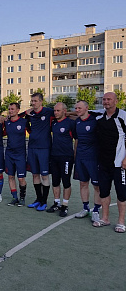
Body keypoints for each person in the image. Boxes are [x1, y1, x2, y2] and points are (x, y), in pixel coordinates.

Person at [93, 92, 126, 233]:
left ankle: (121, 222)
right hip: (103, 163)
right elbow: (81, 111)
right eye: (104, 99)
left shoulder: (123, 116)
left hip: (119, 163)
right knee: (104, 192)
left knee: (122, 194)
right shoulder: (99, 115)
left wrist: (125, 159)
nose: (106, 102)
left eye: (109, 99)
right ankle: (105, 218)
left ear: (116, 101)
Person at [73, 100, 101, 222]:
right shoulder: (77, 122)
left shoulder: (95, 120)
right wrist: (75, 156)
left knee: (96, 185)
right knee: (83, 183)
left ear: (86, 108)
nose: (77, 110)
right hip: (80, 158)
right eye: (76, 108)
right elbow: (77, 140)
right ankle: (85, 208)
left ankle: (96, 210)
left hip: (93, 158)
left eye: (79, 108)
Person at [25, 93, 54, 211]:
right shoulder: (29, 114)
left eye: (36, 101)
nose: (33, 103)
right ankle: (38, 199)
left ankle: (44, 201)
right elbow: (27, 126)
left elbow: (62, 114)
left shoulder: (48, 112)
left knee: (44, 175)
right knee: (34, 174)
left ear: (41, 101)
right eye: (32, 101)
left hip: (44, 148)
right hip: (32, 148)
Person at [46, 102, 75, 217]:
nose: (56, 113)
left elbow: (76, 139)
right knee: (55, 181)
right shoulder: (53, 123)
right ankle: (56, 203)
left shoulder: (70, 123)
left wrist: (75, 155)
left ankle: (65, 205)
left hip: (67, 156)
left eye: (58, 111)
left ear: (64, 111)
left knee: (66, 182)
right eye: (55, 111)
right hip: (54, 156)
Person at [4, 103, 28, 207]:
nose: (10, 111)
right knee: (10, 176)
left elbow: (32, 132)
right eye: (9, 109)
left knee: (21, 178)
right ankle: (14, 197)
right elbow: (2, 133)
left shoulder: (24, 122)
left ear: (18, 110)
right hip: (9, 153)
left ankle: (22, 198)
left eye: (12, 109)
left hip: (20, 154)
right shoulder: (6, 122)